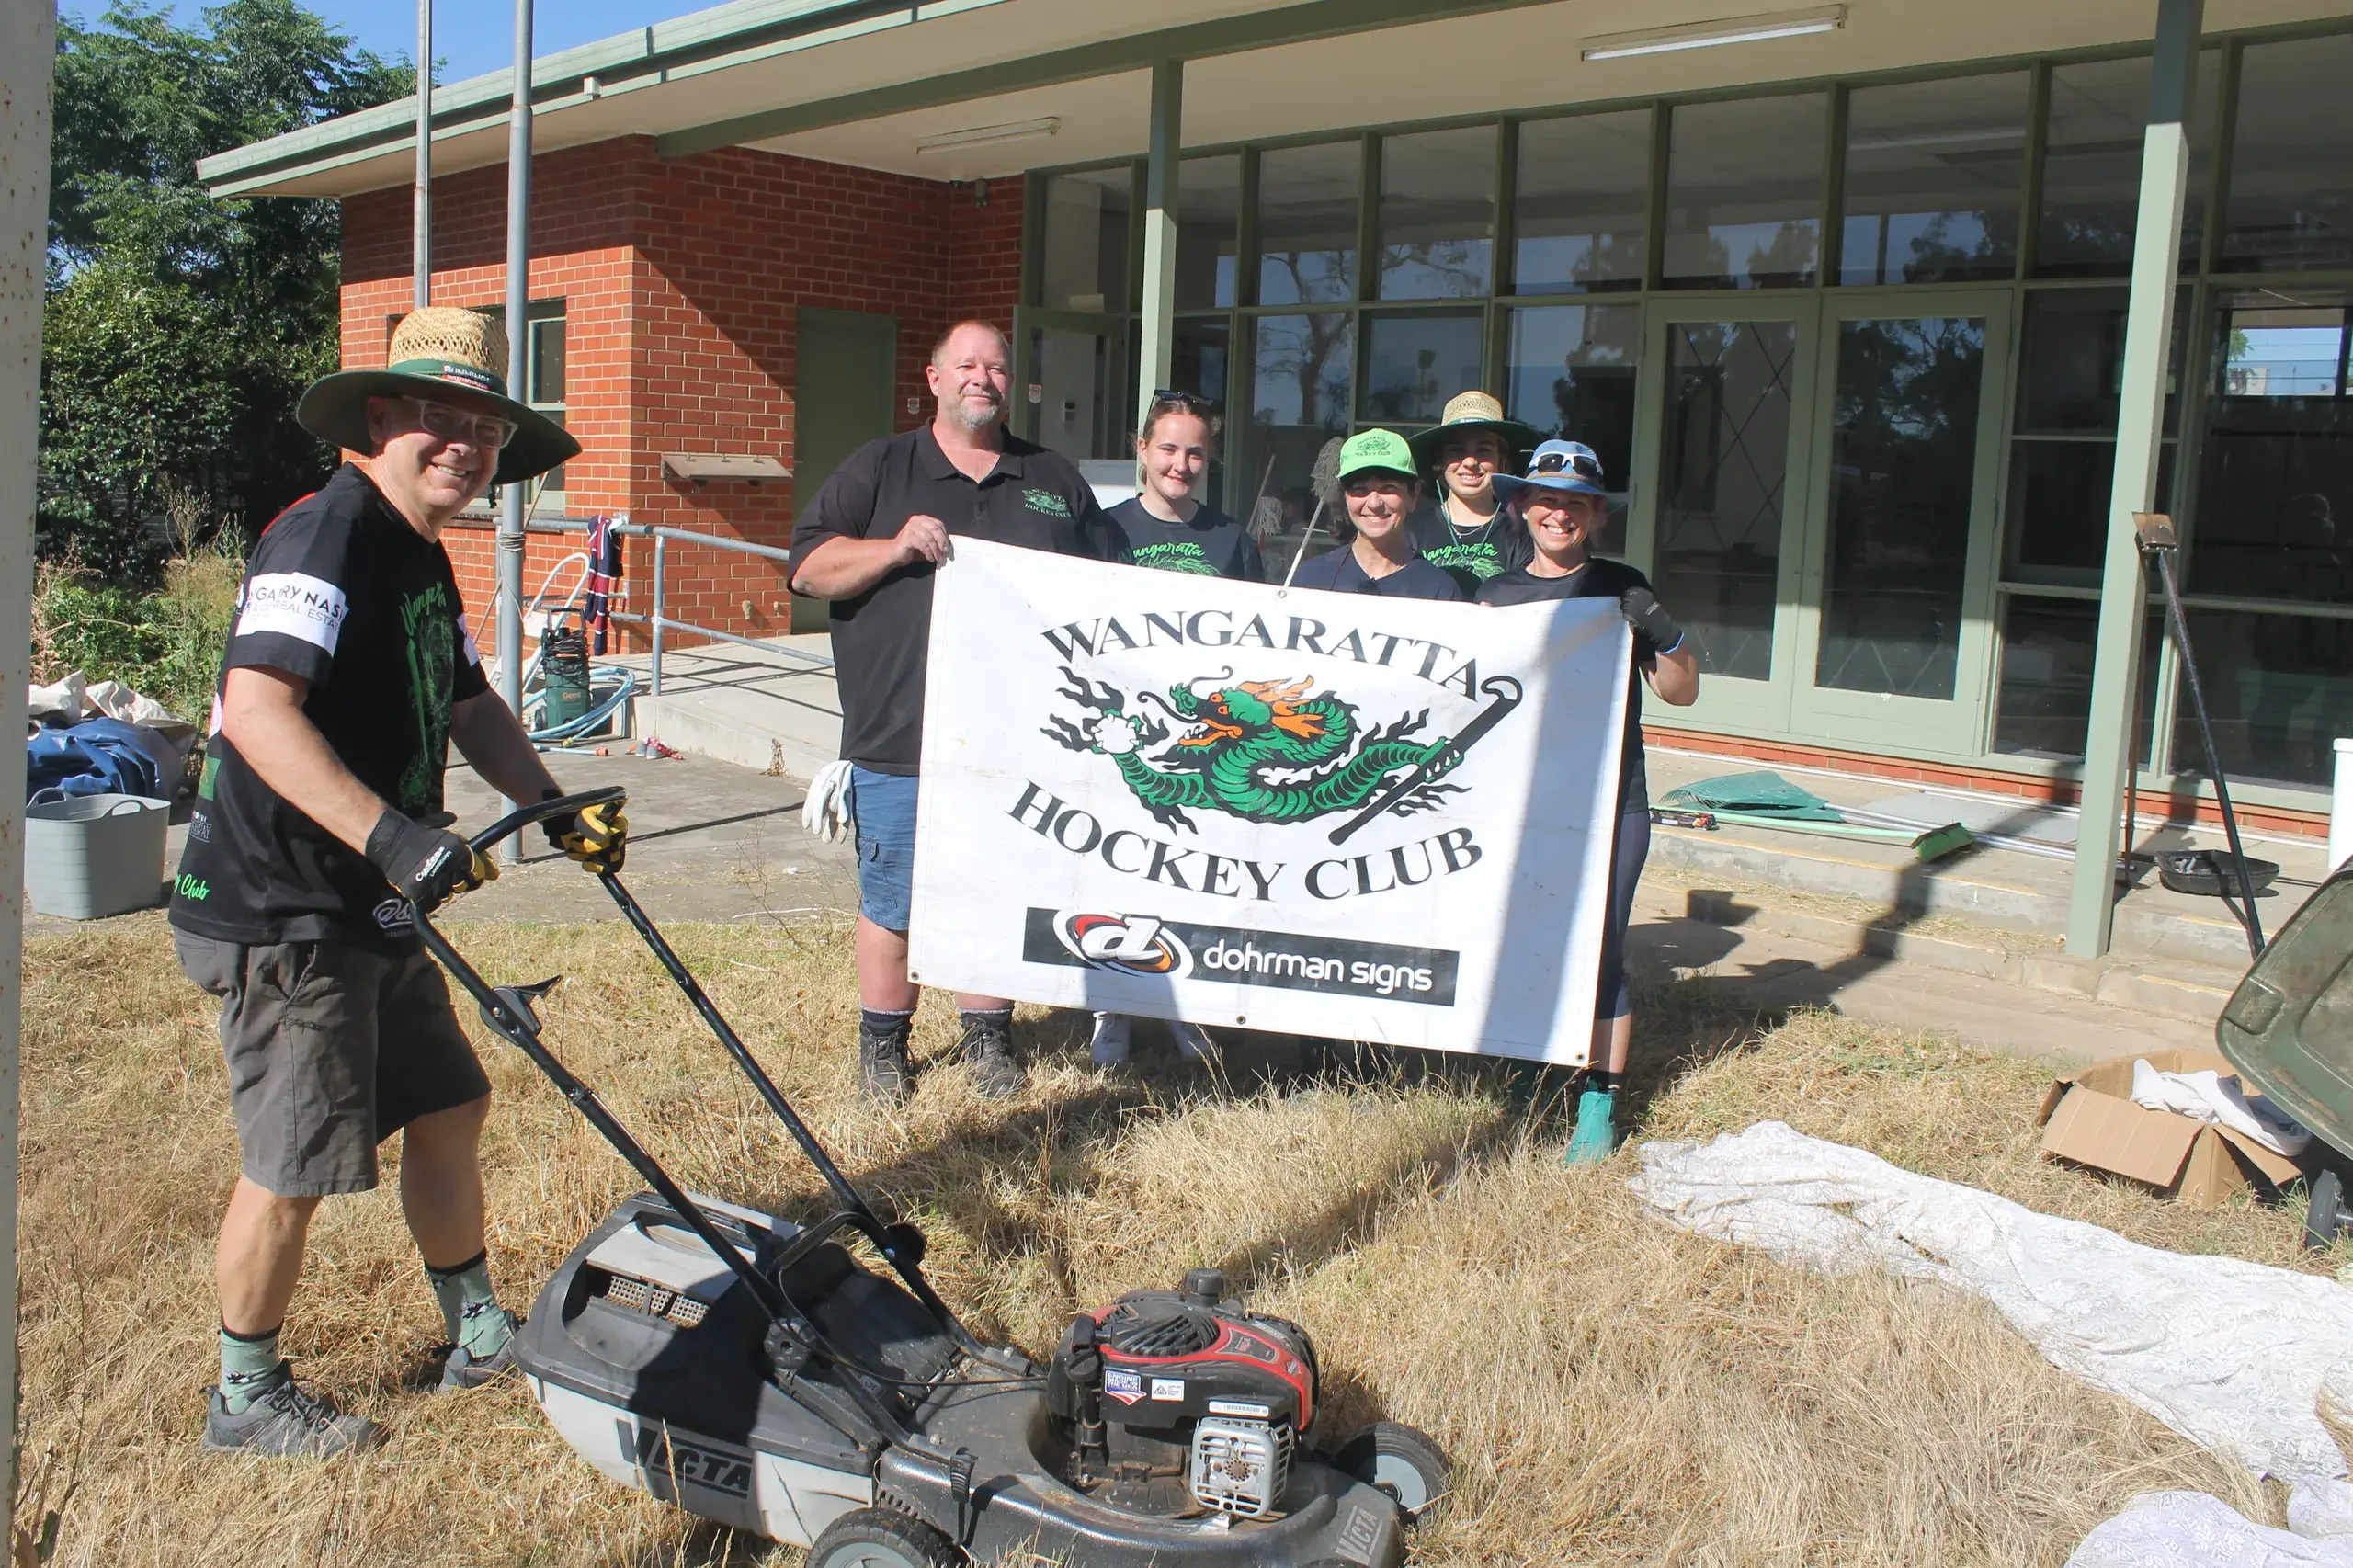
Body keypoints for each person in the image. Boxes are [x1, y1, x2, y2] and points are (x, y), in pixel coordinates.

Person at [170, 306, 621, 1458]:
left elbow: (468, 702)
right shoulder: (328, 535)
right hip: (288, 907)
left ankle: (476, 1329)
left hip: (372, 895)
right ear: (380, 418)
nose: (462, 443)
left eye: (480, 423)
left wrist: (550, 807)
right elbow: (259, 710)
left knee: (449, 1099)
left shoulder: (415, 549)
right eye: (437, 416)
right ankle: (245, 1394)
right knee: (294, 1162)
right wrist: (392, 836)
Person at [790, 320, 1118, 1104]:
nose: (983, 377)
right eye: (965, 365)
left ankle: (988, 1040)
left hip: (1019, 740)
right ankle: (884, 1048)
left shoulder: (1052, 477)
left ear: (1014, 385)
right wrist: (894, 548)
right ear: (934, 380)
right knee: (893, 899)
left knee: (995, 892)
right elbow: (807, 568)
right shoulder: (881, 467)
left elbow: (1114, 586)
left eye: (997, 367)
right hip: (899, 733)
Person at [1481, 440, 1699, 1165]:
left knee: (1600, 946)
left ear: (1595, 514)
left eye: (1575, 502)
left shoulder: (1620, 586)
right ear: (1521, 506)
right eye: (1546, 499)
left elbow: (1682, 689)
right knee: (1521, 939)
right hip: (1520, 804)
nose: (1558, 513)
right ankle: (1524, 1070)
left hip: (1611, 801)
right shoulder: (1494, 596)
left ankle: (1598, 1101)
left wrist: (1663, 631)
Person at [1091, 392, 1260, 1069]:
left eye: (1194, 451)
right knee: (1119, 863)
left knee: (1189, 869)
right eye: (1168, 448)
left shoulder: (1231, 540)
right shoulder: (1103, 532)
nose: (1181, 464)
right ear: (1142, 449)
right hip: (1127, 730)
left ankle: (1186, 1008)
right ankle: (1115, 1009)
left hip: (1200, 741)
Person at [1289, 428, 1463, 602]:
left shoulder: (1439, 591)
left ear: (1414, 494)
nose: (1374, 504)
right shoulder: (1311, 578)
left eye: (1388, 488)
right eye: (1360, 490)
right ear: (1345, 497)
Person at [1404, 390, 1540, 597]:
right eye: (1456, 450)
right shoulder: (1410, 530)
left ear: (1502, 463)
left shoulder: (1521, 535)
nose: (1469, 462)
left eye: (1483, 450)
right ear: (1439, 463)